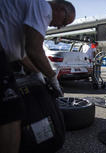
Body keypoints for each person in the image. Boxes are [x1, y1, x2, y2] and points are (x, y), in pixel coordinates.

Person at [0, 0, 75, 153]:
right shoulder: (43, 7)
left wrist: (38, 73)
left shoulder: (21, 13)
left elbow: (21, 55)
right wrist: (53, 78)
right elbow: (34, 49)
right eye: (64, 21)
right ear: (60, 9)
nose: (60, 27)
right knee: (12, 112)